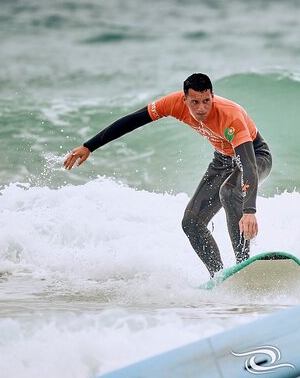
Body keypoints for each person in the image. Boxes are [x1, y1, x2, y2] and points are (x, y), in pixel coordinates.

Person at [63, 73, 272, 277]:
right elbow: (133, 120)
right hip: (223, 159)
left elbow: (248, 165)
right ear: (185, 99)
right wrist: (89, 146)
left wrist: (249, 210)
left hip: (256, 155)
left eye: (206, 101)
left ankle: (244, 266)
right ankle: (219, 277)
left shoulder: (230, 115)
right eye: (195, 102)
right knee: (191, 223)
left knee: (229, 192)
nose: (201, 108)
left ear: (213, 97)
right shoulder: (174, 104)